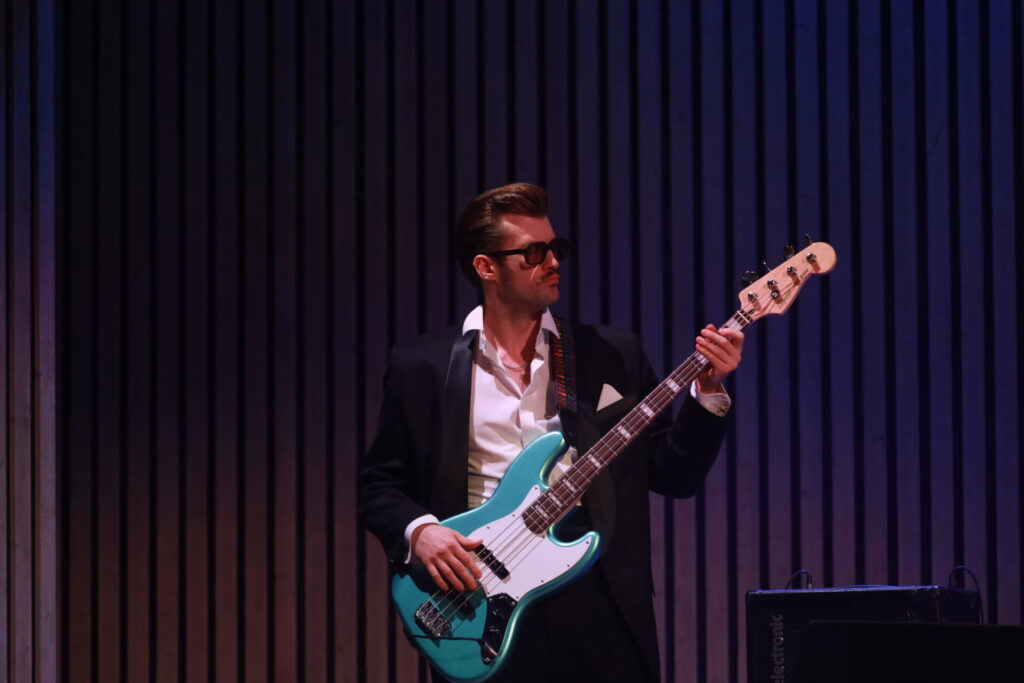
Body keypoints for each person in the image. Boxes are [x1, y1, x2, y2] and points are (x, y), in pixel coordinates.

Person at [360, 183, 743, 682]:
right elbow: (380, 485)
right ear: (486, 267)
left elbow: (674, 474)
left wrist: (707, 392)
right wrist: (421, 532)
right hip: (476, 601)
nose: (553, 262)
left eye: (555, 248)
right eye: (533, 252)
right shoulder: (422, 366)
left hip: (598, 602)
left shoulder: (611, 354)